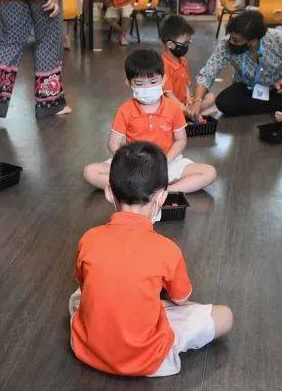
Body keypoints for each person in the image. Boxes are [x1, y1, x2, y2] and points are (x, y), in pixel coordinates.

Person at [70, 142, 233, 377]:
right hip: (146, 359)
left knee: (79, 296)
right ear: (162, 197)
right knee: (224, 316)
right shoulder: (167, 249)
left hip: (87, 348)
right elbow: (180, 300)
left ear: (108, 192)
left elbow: (83, 285)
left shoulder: (89, 238)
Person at [83, 49, 216, 194]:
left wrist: (165, 161)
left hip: (167, 163)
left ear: (163, 80)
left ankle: (162, 191)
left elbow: (181, 140)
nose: (147, 88)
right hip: (134, 165)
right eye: (139, 84)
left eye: (153, 82)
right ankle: (151, 189)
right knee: (90, 172)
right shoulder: (125, 110)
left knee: (209, 173)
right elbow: (113, 144)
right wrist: (131, 161)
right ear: (129, 83)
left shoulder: (173, 108)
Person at [190, 10, 282, 118]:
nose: (231, 42)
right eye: (231, 37)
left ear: (253, 41)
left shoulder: (281, 39)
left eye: (236, 40)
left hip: (278, 89)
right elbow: (207, 73)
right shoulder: (226, 44)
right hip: (248, 89)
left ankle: (273, 104)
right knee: (224, 102)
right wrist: (197, 101)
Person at [159, 15, 215, 120]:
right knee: (170, 110)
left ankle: (190, 114)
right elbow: (168, 95)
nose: (187, 46)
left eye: (189, 42)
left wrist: (189, 101)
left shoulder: (183, 61)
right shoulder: (163, 65)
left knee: (211, 97)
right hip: (171, 104)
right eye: (185, 43)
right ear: (170, 44)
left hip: (184, 103)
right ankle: (191, 114)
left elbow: (186, 86)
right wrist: (184, 109)